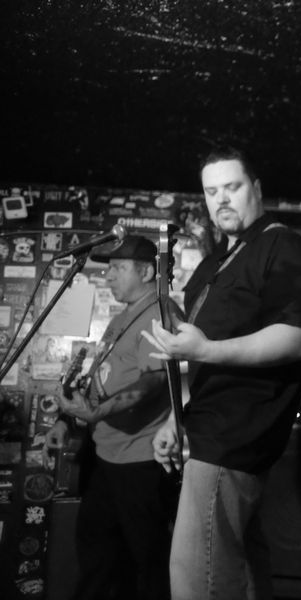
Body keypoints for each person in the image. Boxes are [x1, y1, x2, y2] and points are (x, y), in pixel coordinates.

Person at [144, 147, 301, 600]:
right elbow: (199, 361)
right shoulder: (213, 263)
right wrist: (176, 417)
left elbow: (296, 337)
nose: (221, 199)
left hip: (235, 438)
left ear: (256, 189)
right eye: (211, 191)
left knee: (196, 578)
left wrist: (207, 348)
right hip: (206, 430)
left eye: (232, 187)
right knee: (237, 572)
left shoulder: (285, 247)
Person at [44, 235, 180, 600]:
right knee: (98, 553)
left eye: (118, 268)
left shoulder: (160, 314)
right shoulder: (124, 316)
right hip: (106, 455)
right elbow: (98, 378)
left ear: (147, 272)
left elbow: (154, 380)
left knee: (148, 561)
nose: (108, 276)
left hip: (140, 463)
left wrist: (97, 412)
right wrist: (67, 420)